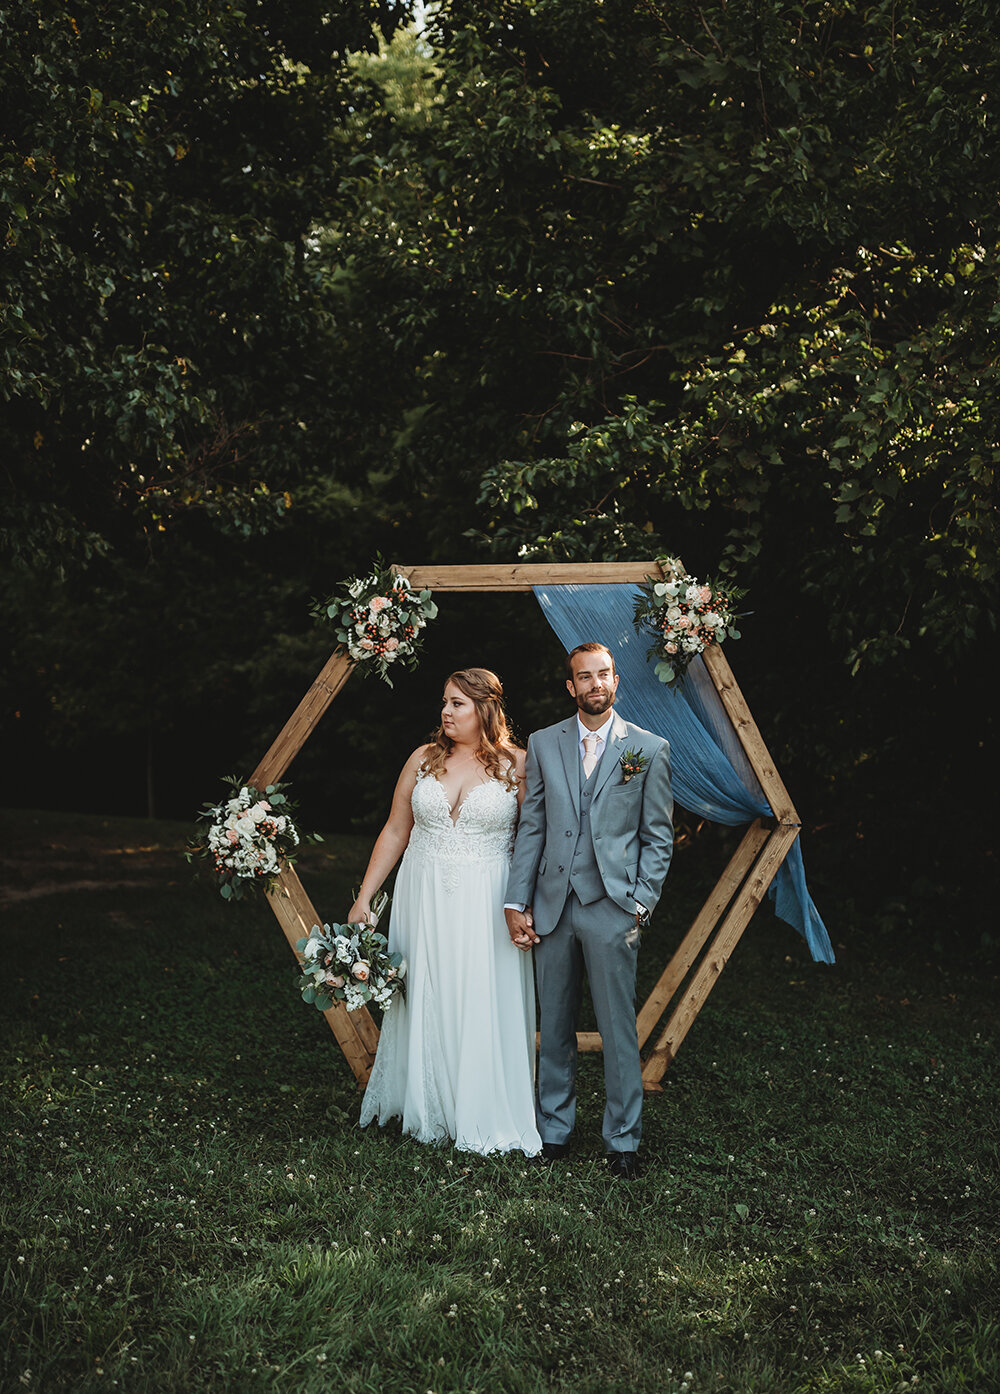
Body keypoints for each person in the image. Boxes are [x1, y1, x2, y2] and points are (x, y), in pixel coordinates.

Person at [354, 668, 542, 1157]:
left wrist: (525, 904)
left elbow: (534, 842)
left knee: (479, 991)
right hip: (423, 890)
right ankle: (426, 1100)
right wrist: (364, 897)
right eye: (444, 702)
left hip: (487, 896)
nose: (445, 712)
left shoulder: (518, 765)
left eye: (457, 703)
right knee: (426, 989)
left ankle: (479, 1106)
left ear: (486, 709)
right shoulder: (422, 759)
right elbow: (396, 830)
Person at [505, 642, 674, 1179]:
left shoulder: (647, 748)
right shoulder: (542, 743)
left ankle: (623, 1138)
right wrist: (517, 899)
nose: (595, 684)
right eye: (584, 677)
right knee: (552, 1023)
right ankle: (554, 1129)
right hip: (552, 905)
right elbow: (531, 827)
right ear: (571, 687)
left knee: (617, 1028)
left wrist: (641, 903)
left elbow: (658, 836)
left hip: (613, 907)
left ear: (616, 682)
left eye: (603, 674)